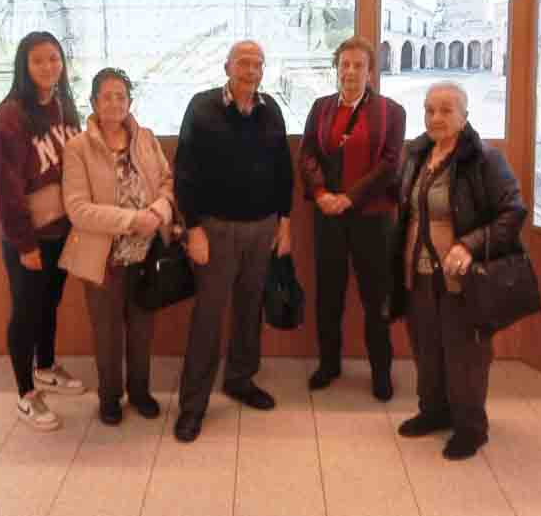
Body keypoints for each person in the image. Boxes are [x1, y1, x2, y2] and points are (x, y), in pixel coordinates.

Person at [395, 81, 526, 460]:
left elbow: (513, 211)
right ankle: (433, 412)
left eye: (446, 110)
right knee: (427, 348)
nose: (436, 117)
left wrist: (469, 245)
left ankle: (470, 428)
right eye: (429, 110)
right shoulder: (417, 153)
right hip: (418, 273)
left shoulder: (484, 159)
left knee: (465, 353)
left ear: (465, 116)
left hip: (462, 279)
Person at [173, 40, 294, 443]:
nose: (251, 70)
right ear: (227, 66)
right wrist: (193, 229)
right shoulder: (202, 108)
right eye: (243, 63)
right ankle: (193, 405)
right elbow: (184, 172)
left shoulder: (270, 109)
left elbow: (283, 170)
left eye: (258, 64)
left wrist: (285, 222)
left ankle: (240, 379)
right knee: (208, 317)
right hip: (215, 231)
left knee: (249, 308)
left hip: (262, 228)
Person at [60, 68, 174, 426]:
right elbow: (77, 209)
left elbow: (168, 182)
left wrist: (158, 212)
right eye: (106, 96)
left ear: (130, 101)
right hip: (103, 260)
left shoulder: (146, 139)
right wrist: (132, 220)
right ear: (93, 102)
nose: (114, 102)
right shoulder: (78, 148)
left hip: (146, 256)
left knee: (142, 329)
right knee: (107, 333)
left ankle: (139, 391)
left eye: (121, 96)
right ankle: (109, 397)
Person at [298, 36, 405, 399]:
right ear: (336, 68)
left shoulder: (392, 112)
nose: (351, 71)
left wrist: (349, 198)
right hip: (328, 215)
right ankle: (329, 364)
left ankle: (381, 372)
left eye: (359, 65)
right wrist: (321, 194)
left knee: (376, 298)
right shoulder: (321, 108)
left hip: (373, 219)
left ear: (371, 72)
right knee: (328, 294)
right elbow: (308, 154)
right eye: (345, 64)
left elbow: (390, 164)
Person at [0, 31, 86, 432]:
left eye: (54, 58)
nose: (49, 67)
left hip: (61, 230)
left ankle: (45, 367)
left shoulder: (65, 106)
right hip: (29, 235)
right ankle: (25, 393)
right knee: (26, 311)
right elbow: (8, 188)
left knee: (49, 303)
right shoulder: (10, 116)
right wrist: (24, 243)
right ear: (24, 67)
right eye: (39, 60)